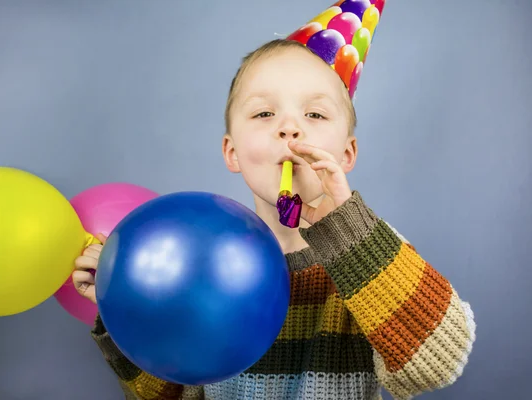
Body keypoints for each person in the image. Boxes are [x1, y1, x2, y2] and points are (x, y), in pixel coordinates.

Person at [73, 37, 475, 400]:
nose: (289, 127)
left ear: (347, 154)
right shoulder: (202, 258)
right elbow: (167, 396)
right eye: (264, 114)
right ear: (232, 152)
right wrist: (121, 302)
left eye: (315, 115)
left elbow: (438, 366)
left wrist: (353, 233)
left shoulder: (371, 253)